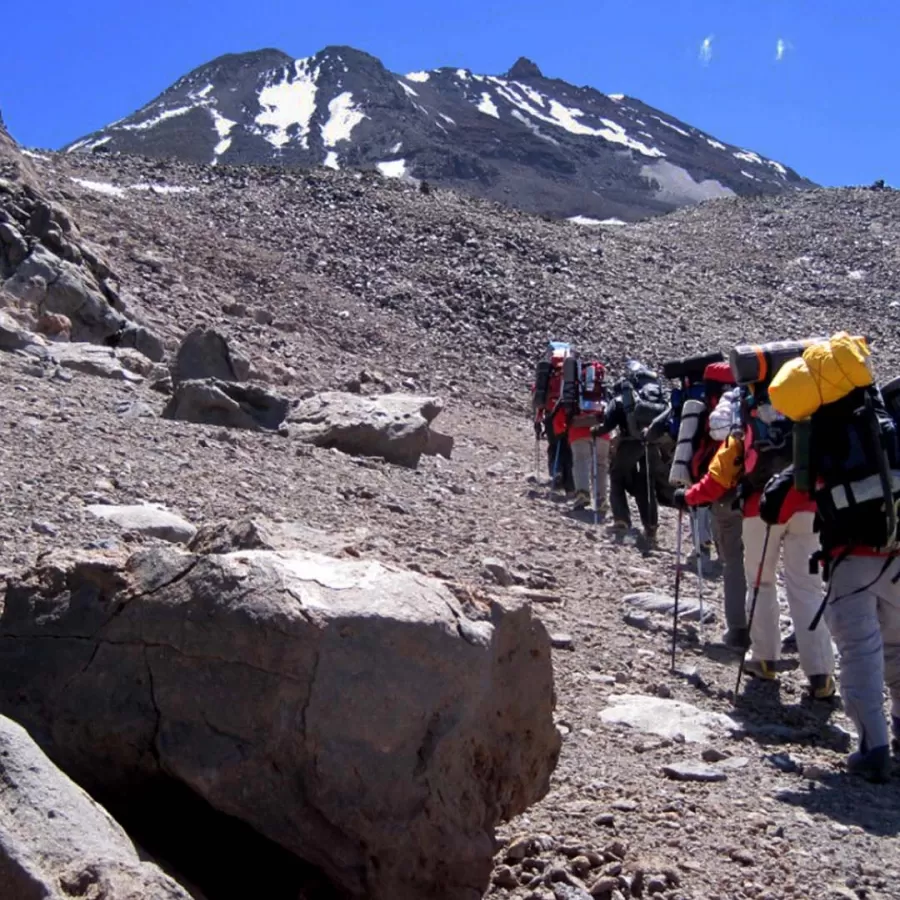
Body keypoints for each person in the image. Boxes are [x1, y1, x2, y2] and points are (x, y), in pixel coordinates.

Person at [763, 332, 900, 782]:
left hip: (850, 562)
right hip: (897, 551)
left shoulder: (819, 430)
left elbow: (777, 502)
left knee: (860, 653)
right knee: (899, 651)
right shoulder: (887, 412)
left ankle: (873, 750)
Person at [673, 379, 835, 698]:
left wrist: (687, 497)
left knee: (761, 584)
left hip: (759, 513)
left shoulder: (746, 420)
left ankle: (764, 660)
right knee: (807, 590)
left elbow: (718, 477)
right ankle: (821, 676)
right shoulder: (806, 418)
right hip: (807, 509)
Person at [669, 364, 749, 648]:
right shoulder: (755, 408)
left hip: (725, 500)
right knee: (765, 567)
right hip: (764, 498)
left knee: (734, 564)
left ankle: (739, 630)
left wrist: (689, 496)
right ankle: (772, 637)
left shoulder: (710, 416)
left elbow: (714, 473)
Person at [593, 361, 669, 542]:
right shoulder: (657, 396)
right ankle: (651, 526)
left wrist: (594, 431)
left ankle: (621, 519)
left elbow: (608, 424)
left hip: (630, 443)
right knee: (646, 484)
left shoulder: (625, 396)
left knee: (617, 475)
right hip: (652, 444)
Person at [565, 359, 611, 513]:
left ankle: (582, 494)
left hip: (578, 428)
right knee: (601, 465)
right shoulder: (603, 386)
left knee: (581, 461)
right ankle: (601, 499)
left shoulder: (574, 385)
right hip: (601, 429)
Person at [531, 343, 574, 492]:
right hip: (569, 414)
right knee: (568, 448)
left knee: (554, 445)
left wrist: (538, 419)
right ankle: (570, 483)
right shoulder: (571, 371)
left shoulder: (547, 372)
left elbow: (538, 394)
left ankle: (556, 473)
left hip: (551, 413)